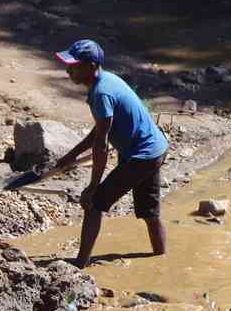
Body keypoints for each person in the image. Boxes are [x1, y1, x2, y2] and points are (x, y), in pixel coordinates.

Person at [51, 39, 168, 269]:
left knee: (94, 203)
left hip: (141, 156)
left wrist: (93, 186)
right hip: (155, 149)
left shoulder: (101, 93)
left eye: (73, 66)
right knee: (149, 213)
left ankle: (80, 265)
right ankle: (162, 260)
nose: (68, 71)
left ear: (91, 66)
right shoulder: (106, 81)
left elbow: (101, 145)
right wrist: (72, 155)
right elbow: (101, 128)